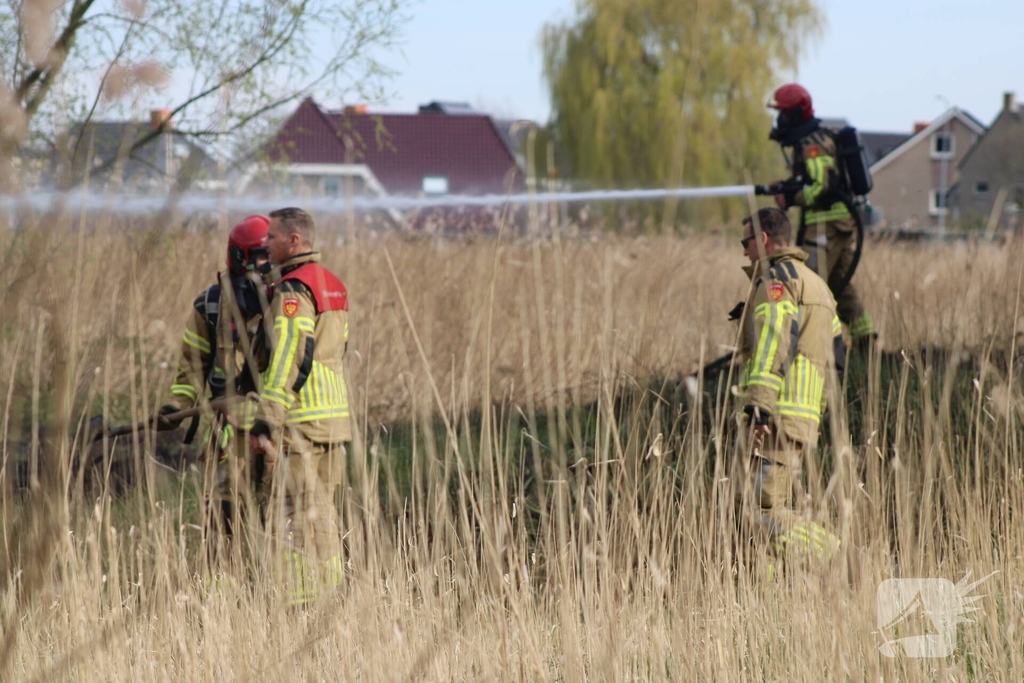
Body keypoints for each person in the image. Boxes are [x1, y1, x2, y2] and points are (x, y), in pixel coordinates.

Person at [246, 207, 351, 605]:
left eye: (272, 237)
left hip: (300, 423)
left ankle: (302, 605)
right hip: (333, 422)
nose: (265, 244)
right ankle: (331, 598)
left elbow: (290, 354)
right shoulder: (333, 285)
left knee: (291, 516)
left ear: (294, 241)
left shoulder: (293, 289)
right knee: (322, 516)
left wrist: (266, 420)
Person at [158, 215, 271, 562]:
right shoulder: (209, 306)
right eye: (261, 256)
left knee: (283, 517)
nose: (270, 265)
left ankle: (279, 601)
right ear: (239, 259)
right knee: (221, 520)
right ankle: (219, 600)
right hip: (230, 433)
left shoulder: (291, 302)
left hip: (277, 429)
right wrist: (175, 406)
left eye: (273, 254)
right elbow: (191, 369)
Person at [736, 207, 843, 567]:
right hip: (802, 417)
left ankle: (842, 560)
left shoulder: (776, 280)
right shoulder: (818, 285)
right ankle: (767, 592)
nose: (745, 251)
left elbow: (773, 341)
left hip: (776, 417)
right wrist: (818, 410)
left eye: (746, 242)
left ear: (763, 240)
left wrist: (758, 406)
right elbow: (837, 354)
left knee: (763, 510)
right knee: (757, 512)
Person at [767, 83, 877, 349]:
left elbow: (821, 185)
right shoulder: (810, 140)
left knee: (808, 282)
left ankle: (809, 346)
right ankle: (866, 341)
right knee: (839, 283)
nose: (779, 121)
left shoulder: (813, 143)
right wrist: (786, 186)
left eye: (783, 114)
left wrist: (792, 198)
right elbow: (811, 180)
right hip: (835, 224)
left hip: (827, 225)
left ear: (794, 113)